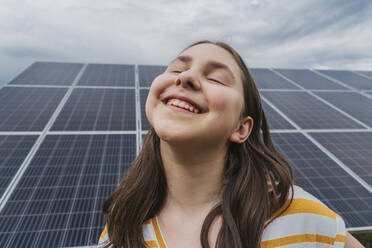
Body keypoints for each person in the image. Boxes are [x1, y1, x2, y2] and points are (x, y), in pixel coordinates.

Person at [98, 40, 364, 248]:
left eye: (215, 78)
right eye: (177, 69)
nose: (185, 77)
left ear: (241, 128)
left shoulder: (302, 217)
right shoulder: (121, 228)